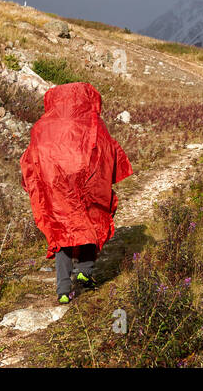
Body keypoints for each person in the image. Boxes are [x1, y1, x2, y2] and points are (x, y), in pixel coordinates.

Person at [20, 82, 133, 304]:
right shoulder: (93, 122)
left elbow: (30, 159)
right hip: (87, 183)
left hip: (55, 186)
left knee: (61, 230)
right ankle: (84, 270)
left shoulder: (42, 126)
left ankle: (63, 290)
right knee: (92, 220)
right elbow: (108, 150)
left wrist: (35, 183)